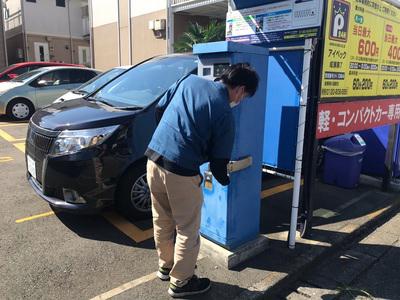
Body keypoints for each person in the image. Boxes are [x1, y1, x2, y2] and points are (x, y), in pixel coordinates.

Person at [145, 63, 259, 298]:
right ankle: (182, 282)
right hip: (181, 170)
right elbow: (219, 163)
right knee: (188, 228)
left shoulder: (190, 81)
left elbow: (160, 108)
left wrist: (169, 139)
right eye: (245, 96)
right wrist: (226, 181)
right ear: (239, 89)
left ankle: (166, 267)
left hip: (153, 158)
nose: (241, 101)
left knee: (162, 218)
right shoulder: (224, 112)